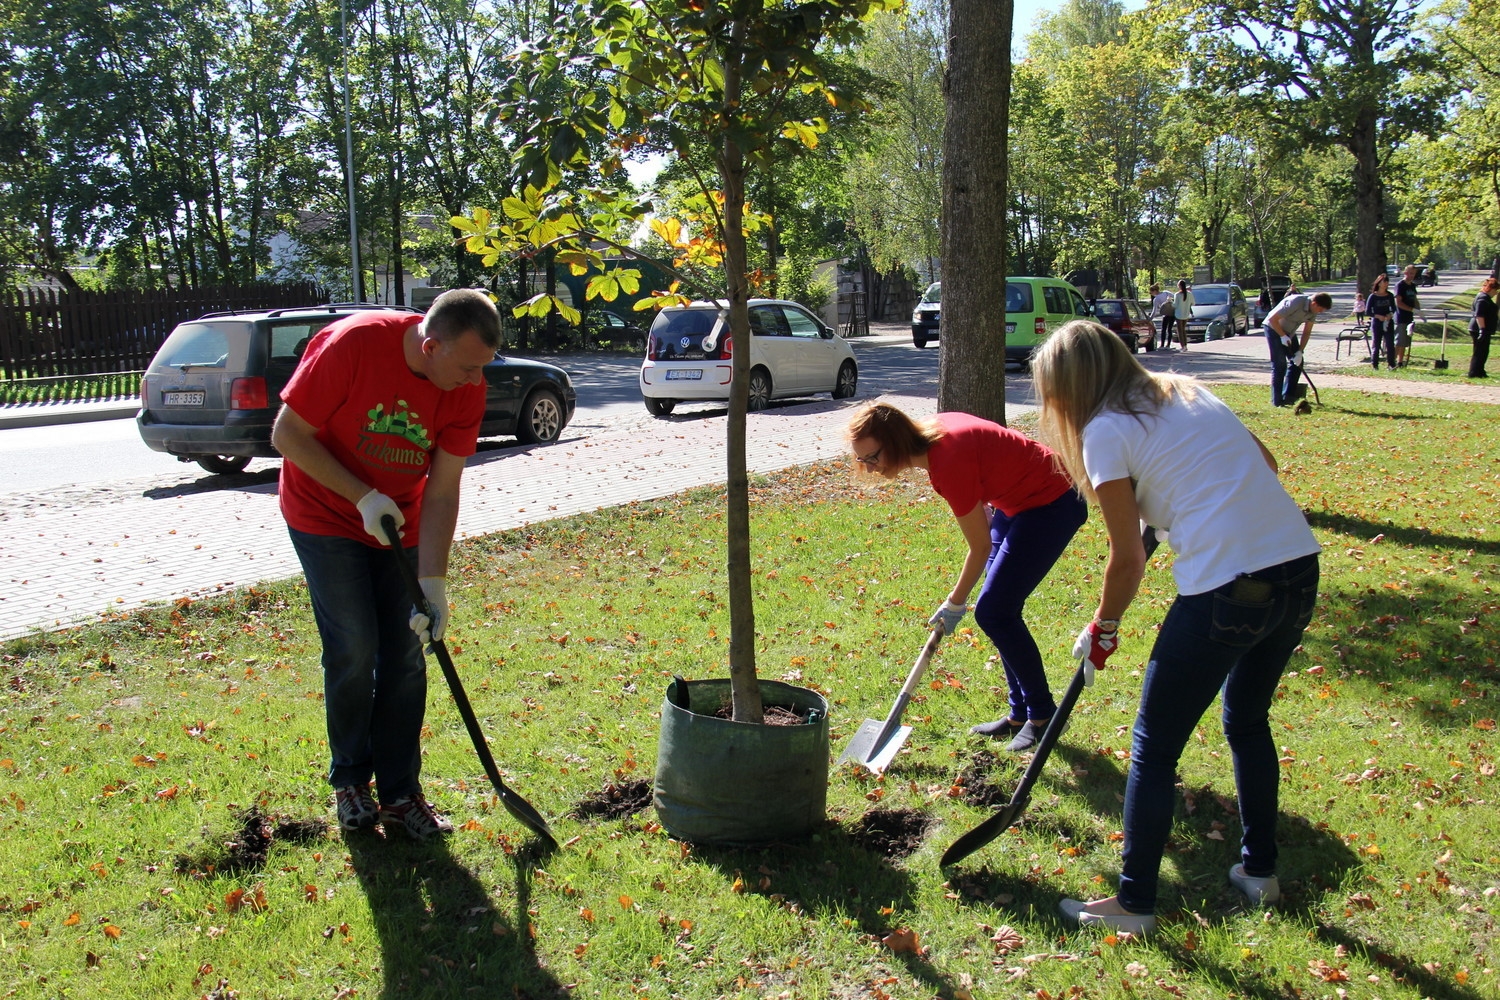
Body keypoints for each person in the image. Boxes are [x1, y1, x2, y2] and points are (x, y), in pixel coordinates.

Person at [1030, 320, 1320, 936]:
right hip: (1297, 568)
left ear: (1068, 390)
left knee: (1154, 748)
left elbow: (1126, 558)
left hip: (1226, 588)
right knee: (1246, 721)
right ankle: (1260, 874)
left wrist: (1105, 626)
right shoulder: (1184, 390)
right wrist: (1172, 509)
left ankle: (1134, 904)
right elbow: (1263, 463)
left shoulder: (1104, 431)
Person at [272, 290, 502, 839]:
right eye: (468, 366)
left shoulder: (467, 386)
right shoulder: (353, 345)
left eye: (483, 369)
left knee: (405, 651)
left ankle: (401, 793)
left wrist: (434, 581)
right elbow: (286, 434)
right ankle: (351, 781)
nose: (475, 381)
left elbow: (444, 490)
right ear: (430, 346)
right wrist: (362, 496)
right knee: (353, 644)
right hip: (324, 511)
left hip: (399, 523)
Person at [845, 402, 1086, 751]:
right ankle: (1020, 714)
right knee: (1000, 611)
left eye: (872, 458)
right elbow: (994, 451)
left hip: (1052, 504)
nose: (869, 468)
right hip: (1016, 503)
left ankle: (1044, 716)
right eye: (862, 460)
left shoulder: (947, 462)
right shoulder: (935, 433)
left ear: (895, 441)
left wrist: (954, 602)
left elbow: (978, 546)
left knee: (995, 612)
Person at [1263, 290, 1332, 407]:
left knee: (1297, 363)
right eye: (1320, 309)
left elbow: (1307, 332)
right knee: (1280, 365)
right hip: (1273, 329)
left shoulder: (1313, 311)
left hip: (1289, 332)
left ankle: (1288, 396)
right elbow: (1272, 319)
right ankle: (1277, 401)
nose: (1320, 312)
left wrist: (1300, 351)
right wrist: (1282, 336)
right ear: (1314, 303)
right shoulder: (1295, 302)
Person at [1366, 274, 1397, 370]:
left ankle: (1391, 364)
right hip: (1377, 322)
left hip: (1388, 322)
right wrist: (1377, 316)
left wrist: (1390, 315)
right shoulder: (1373, 296)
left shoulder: (1390, 295)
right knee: (1376, 343)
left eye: (1387, 282)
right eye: (1384, 282)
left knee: (1390, 343)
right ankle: (1375, 364)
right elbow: (1368, 311)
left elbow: (1394, 308)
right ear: (1379, 283)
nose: (1386, 284)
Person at [1394, 264, 1421, 368]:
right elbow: (1398, 303)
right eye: (1409, 273)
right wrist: (1412, 309)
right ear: (1405, 273)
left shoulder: (1412, 285)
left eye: (1413, 274)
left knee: (1405, 341)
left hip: (1409, 317)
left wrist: (1418, 310)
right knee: (1399, 341)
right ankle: (1392, 362)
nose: (1411, 275)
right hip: (1401, 317)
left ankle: (1400, 362)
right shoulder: (1400, 285)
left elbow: (1414, 299)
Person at [1470, 275, 1497, 379]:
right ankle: (1475, 372)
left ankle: (1480, 370)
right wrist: (1482, 330)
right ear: (1491, 288)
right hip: (1479, 328)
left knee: (1483, 351)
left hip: (1482, 328)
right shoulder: (1483, 298)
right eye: (1496, 290)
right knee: (1480, 351)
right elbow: (1479, 315)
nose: (1496, 293)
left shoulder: (1484, 297)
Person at [1149, 283, 1174, 349]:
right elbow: (1175, 297)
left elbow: (1154, 311)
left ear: (1154, 291)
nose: (1151, 294)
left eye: (1151, 293)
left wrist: (1150, 319)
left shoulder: (1156, 299)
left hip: (1165, 314)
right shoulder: (1166, 292)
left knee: (1164, 329)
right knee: (1170, 329)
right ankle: (1168, 344)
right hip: (1172, 313)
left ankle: (1162, 345)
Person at [1172, 280, 1194, 351]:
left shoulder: (1177, 294)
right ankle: (1185, 345)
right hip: (1186, 314)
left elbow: (1175, 305)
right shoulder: (1189, 294)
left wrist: (1170, 302)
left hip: (1178, 314)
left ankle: (1183, 346)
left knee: (1179, 330)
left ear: (1180, 286)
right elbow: (1193, 303)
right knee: (1183, 330)